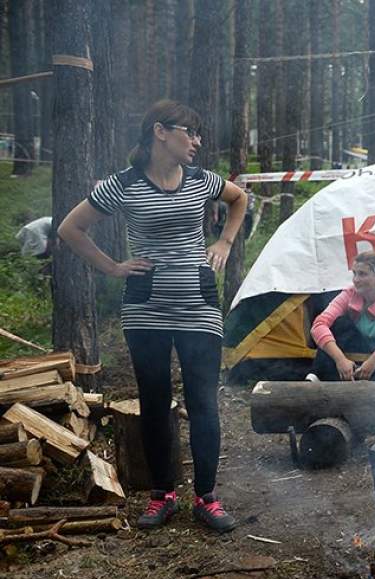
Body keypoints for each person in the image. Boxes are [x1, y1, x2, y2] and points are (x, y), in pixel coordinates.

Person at [57, 100, 247, 532]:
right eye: (190, 132)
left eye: (199, 134)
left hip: (199, 305)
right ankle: (162, 495)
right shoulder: (123, 185)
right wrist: (112, 267)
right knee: (155, 402)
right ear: (160, 132)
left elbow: (239, 199)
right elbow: (70, 228)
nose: (197, 142)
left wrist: (224, 244)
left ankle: (207, 498)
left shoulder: (201, 180)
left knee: (203, 402)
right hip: (145, 309)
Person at [308, 251, 375, 382]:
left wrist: (374, 359)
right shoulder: (349, 294)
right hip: (357, 345)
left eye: (362, 274)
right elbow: (319, 325)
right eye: (354, 273)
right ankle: (317, 375)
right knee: (337, 323)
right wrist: (340, 359)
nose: (356, 280)